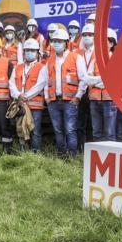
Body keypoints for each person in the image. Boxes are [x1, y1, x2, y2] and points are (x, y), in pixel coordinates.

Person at [46, 28, 82, 156]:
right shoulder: (49, 60)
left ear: (66, 43)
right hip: (54, 102)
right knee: (58, 130)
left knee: (70, 129)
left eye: (59, 41)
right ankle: (62, 154)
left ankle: (72, 155)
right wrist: (47, 98)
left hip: (70, 101)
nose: (56, 43)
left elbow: (83, 79)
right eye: (54, 41)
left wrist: (78, 97)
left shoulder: (76, 57)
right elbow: (46, 81)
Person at [80, 25, 117, 142]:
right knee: (96, 132)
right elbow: (86, 78)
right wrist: (102, 80)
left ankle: (109, 158)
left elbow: (113, 80)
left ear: (111, 43)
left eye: (104, 41)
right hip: (95, 100)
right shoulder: (96, 59)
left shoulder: (116, 59)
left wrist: (95, 80)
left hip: (109, 101)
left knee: (109, 133)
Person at [10, 39, 47, 152]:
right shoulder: (18, 67)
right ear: (24, 52)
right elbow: (11, 83)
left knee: (34, 130)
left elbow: (40, 85)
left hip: (35, 106)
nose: (29, 53)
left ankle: (35, 152)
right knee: (21, 127)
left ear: (37, 53)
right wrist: (17, 95)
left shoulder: (42, 67)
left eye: (32, 50)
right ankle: (23, 152)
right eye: (27, 50)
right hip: (20, 104)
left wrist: (23, 97)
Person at [75, 24, 95, 150]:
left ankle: (91, 150)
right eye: (85, 35)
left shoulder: (100, 53)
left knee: (93, 123)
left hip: (95, 91)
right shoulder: (77, 53)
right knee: (80, 122)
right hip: (80, 91)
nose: (87, 37)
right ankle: (81, 149)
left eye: (90, 35)